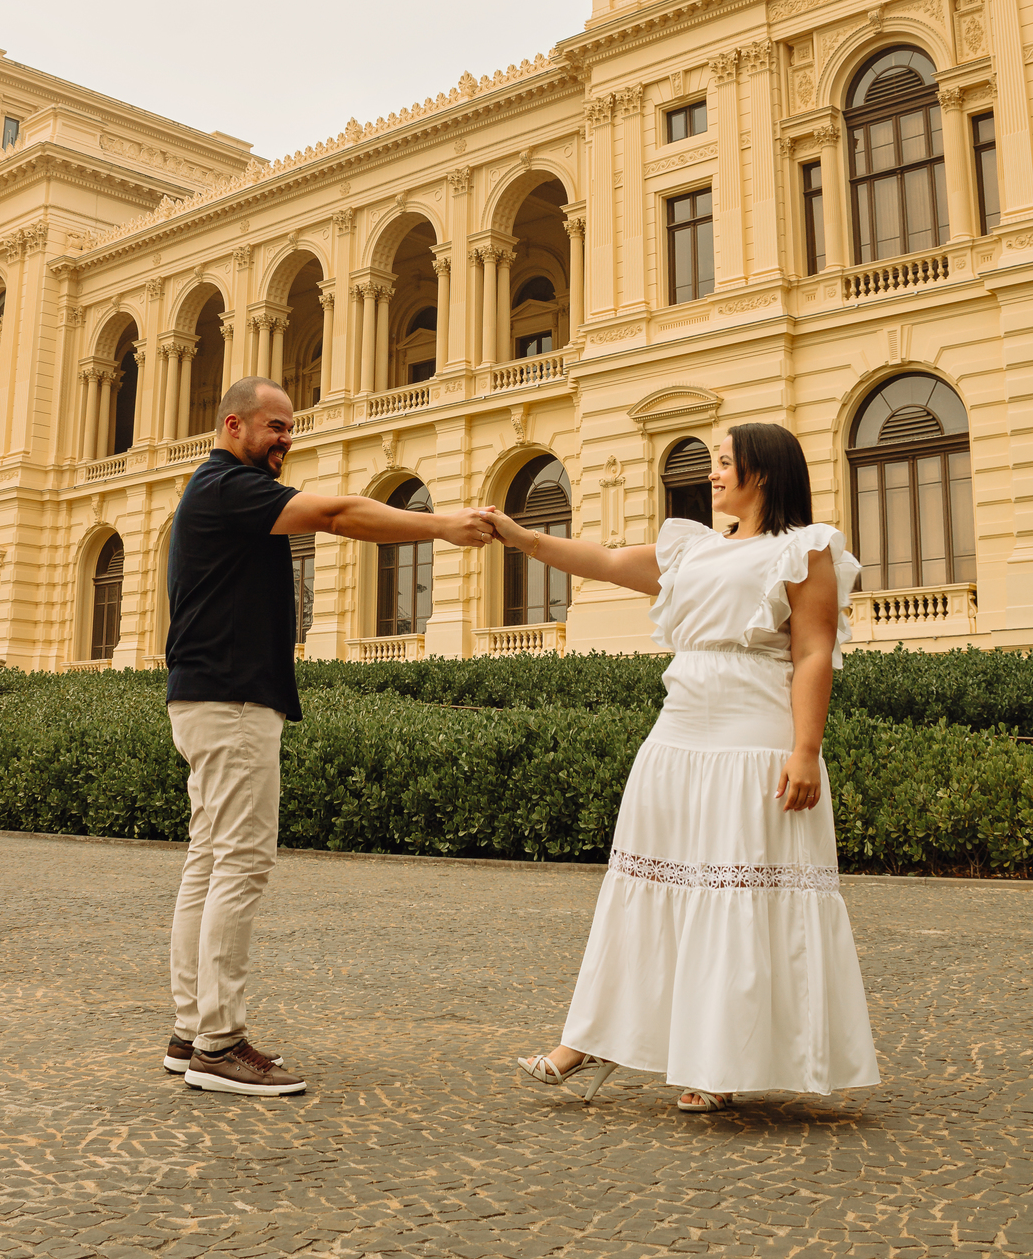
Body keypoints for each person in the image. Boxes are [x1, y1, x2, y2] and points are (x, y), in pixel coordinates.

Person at [490, 423, 879, 1112]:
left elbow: (814, 651)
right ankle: (593, 1038)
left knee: (733, 892)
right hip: (676, 737)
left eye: (725, 462)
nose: (713, 473)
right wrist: (521, 538)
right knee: (646, 886)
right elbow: (606, 560)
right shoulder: (693, 548)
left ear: (763, 472)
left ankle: (720, 1062)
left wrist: (806, 750)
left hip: (753, 737)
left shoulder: (804, 549)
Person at [162, 374, 496, 1098]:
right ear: (233, 426)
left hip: (209, 695)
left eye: (290, 426)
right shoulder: (228, 486)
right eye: (275, 425)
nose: (287, 437)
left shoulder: (218, 490)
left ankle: (192, 1031)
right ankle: (218, 1045)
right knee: (240, 862)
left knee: (210, 860)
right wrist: (441, 525)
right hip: (231, 699)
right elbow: (341, 514)